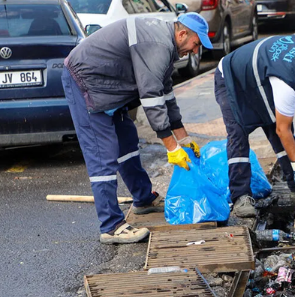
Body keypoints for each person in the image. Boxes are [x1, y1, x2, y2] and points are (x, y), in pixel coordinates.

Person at [62, 13, 213, 244]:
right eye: (196, 44)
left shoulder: (166, 45)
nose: (194, 51)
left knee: (128, 143)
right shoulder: (158, 45)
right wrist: (171, 147)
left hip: (111, 86)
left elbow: (166, 94)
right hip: (86, 83)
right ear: (182, 34)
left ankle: (143, 199)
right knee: (103, 155)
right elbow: (151, 97)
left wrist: (184, 139)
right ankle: (111, 226)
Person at [215, 36, 295, 218]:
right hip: (232, 79)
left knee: (276, 122)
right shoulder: (285, 84)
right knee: (239, 134)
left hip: (259, 77)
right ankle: (240, 197)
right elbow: (283, 130)